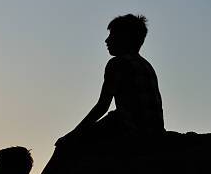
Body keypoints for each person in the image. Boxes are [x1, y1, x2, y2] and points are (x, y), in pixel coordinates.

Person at [56, 14, 164, 147]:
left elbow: (102, 106)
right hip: (154, 132)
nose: (106, 40)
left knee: (66, 145)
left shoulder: (117, 63)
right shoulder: (146, 65)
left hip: (132, 132)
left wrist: (71, 135)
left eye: (112, 35)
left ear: (124, 39)